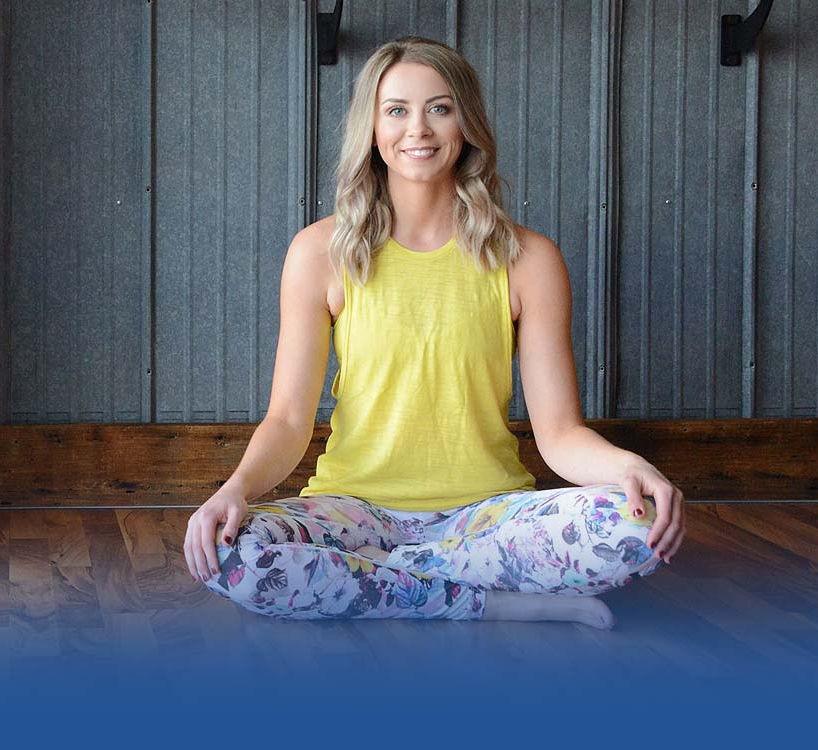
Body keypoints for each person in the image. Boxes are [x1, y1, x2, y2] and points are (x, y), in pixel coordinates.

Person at [183, 36, 686, 630]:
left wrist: (630, 467)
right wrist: (235, 488)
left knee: (632, 527)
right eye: (396, 109)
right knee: (234, 554)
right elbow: (289, 421)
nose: (417, 128)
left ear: (466, 121)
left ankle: (383, 576)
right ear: (371, 127)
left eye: (439, 108)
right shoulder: (320, 252)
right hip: (352, 510)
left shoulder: (528, 259)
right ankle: (485, 598)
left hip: (485, 514)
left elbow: (559, 432)